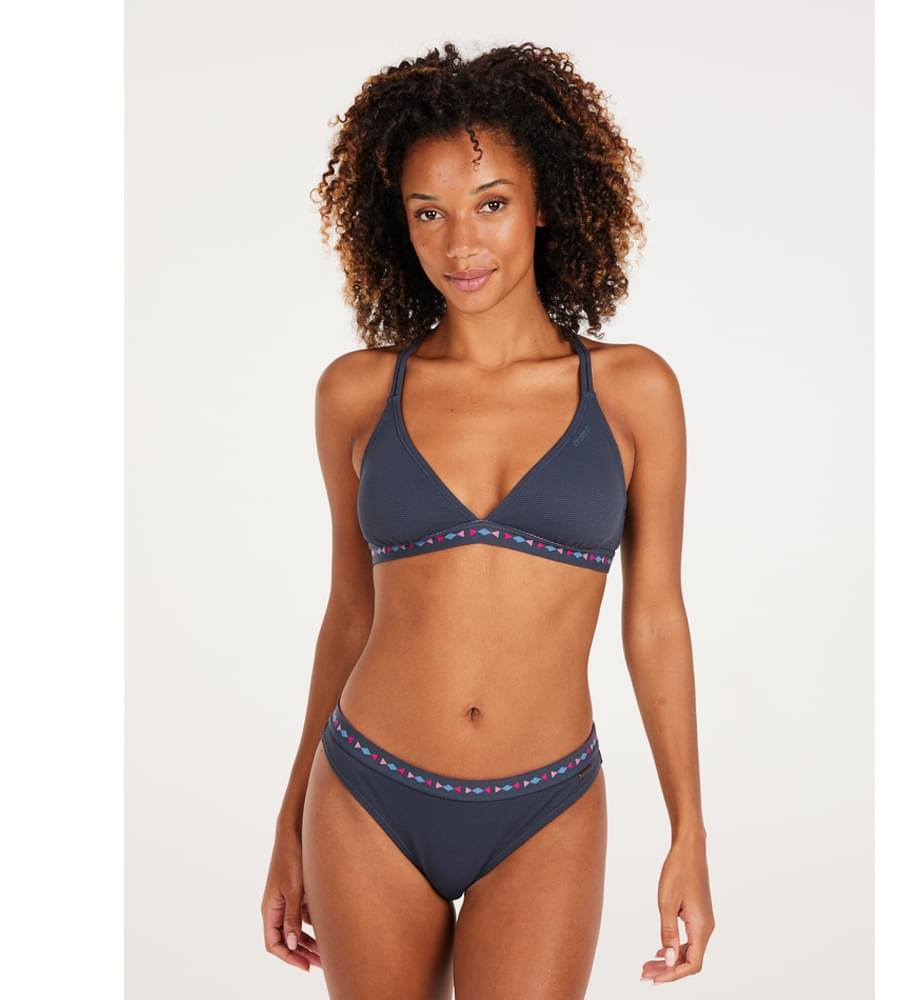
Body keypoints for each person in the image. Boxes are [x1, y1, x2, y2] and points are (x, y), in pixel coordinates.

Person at [261, 41, 714, 999]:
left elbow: (655, 620)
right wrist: (289, 818)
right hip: (367, 794)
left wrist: (689, 831)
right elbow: (350, 612)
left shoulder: (633, 391)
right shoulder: (356, 394)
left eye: (491, 204)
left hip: (545, 807)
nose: (460, 245)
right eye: (428, 213)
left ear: (546, 201)